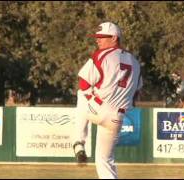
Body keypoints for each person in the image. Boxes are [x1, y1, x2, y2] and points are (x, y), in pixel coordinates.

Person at [73, 22, 143, 179]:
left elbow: (83, 81)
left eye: (101, 37)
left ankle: (78, 142)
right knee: (105, 161)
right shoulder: (135, 62)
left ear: (114, 38)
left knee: (82, 94)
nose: (98, 40)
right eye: (97, 37)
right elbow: (137, 93)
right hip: (117, 118)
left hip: (99, 109)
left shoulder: (101, 55)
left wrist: (93, 97)